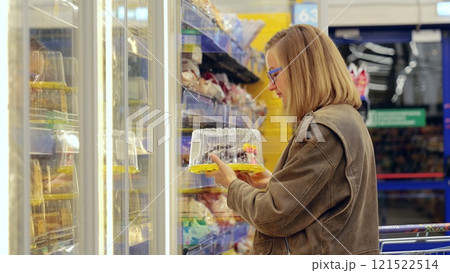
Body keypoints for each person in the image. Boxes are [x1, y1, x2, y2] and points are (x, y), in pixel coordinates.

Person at [205, 24, 379, 255]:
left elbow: (274, 216)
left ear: (302, 69)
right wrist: (274, 183)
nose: (270, 86)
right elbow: (325, 194)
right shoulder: (346, 117)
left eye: (275, 74)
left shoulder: (322, 129)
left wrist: (231, 184)